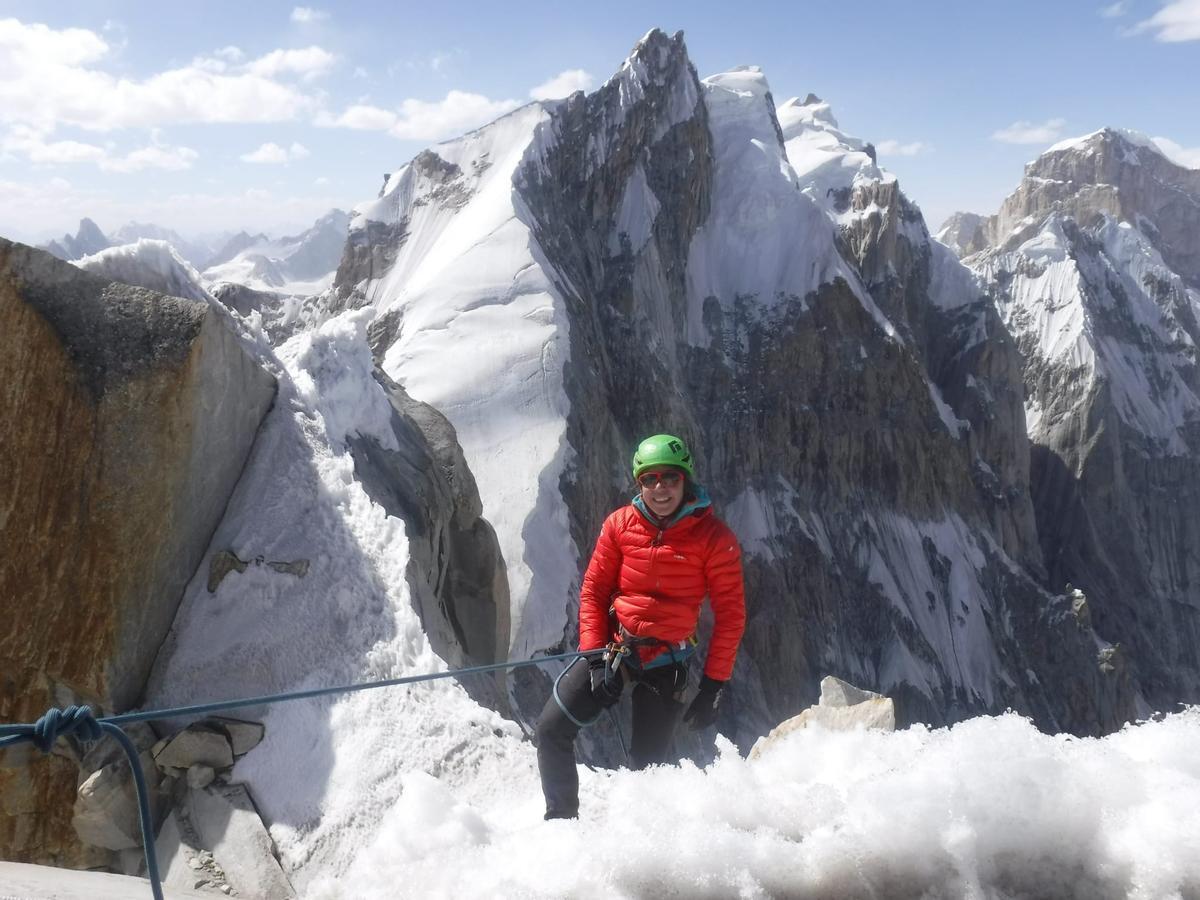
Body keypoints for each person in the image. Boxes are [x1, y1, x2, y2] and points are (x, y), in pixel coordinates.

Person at [535, 433, 746, 820]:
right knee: (551, 730)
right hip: (616, 649)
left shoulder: (715, 539)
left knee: (646, 774)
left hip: (667, 660)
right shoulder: (619, 525)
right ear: (639, 483)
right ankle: (561, 824)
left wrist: (713, 686)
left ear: (685, 480)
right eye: (650, 479)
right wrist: (595, 657)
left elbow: (731, 614)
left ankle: (636, 844)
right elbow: (594, 591)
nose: (660, 488)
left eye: (670, 477)